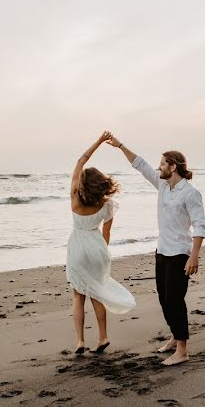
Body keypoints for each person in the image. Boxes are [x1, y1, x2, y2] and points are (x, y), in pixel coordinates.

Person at [105, 134, 205, 366]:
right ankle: (174, 336)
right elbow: (139, 164)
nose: (158, 167)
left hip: (181, 253)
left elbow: (200, 226)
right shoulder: (162, 185)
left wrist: (194, 256)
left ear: (173, 166)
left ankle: (182, 350)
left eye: (162, 164)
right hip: (162, 252)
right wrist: (120, 145)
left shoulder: (191, 193)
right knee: (163, 299)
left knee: (175, 300)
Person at [66, 131, 136, 355]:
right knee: (97, 293)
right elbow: (106, 233)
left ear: (83, 184)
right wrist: (102, 253)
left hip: (78, 247)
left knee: (79, 295)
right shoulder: (107, 205)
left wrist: (97, 141)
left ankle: (79, 342)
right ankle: (103, 336)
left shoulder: (75, 198)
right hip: (97, 247)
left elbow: (80, 160)